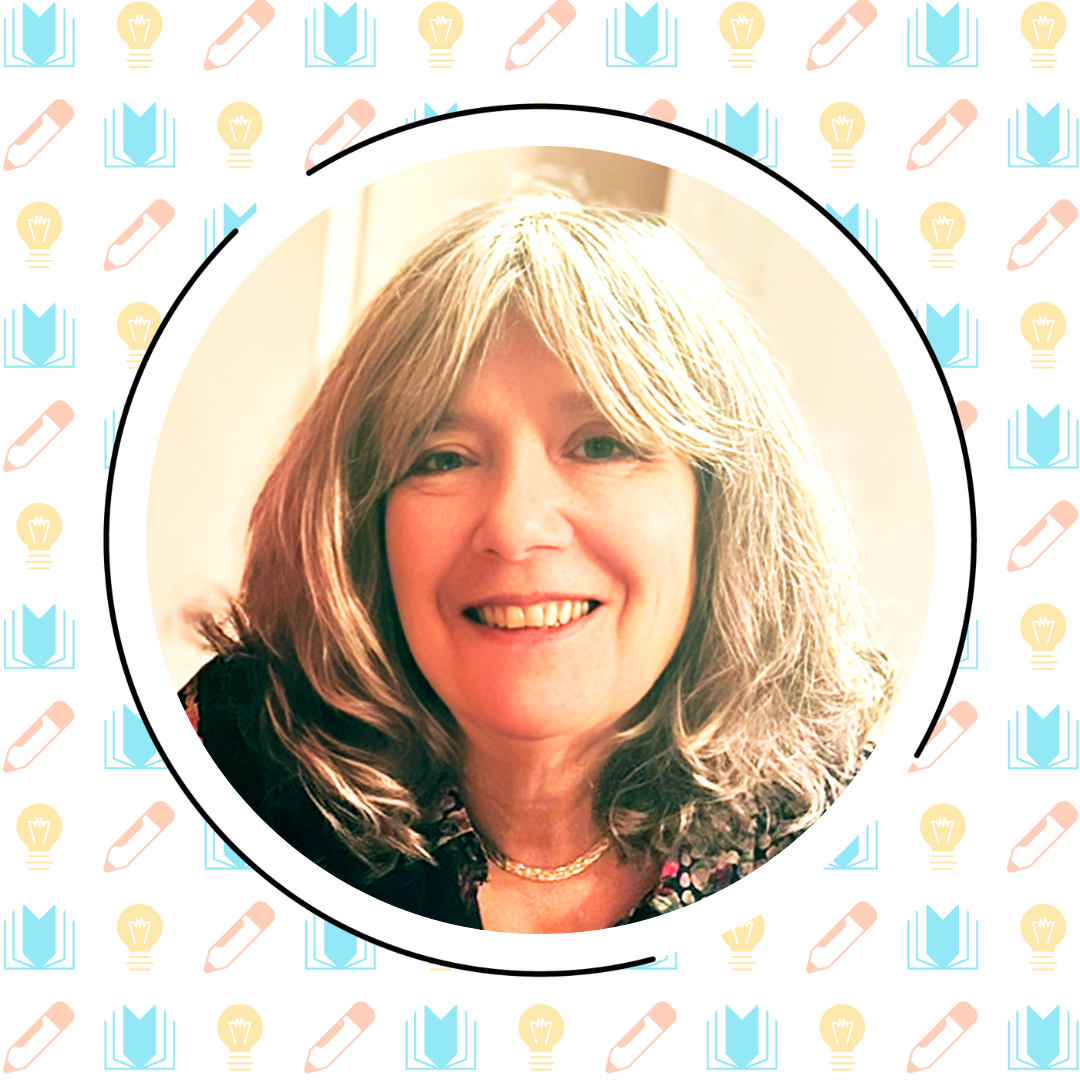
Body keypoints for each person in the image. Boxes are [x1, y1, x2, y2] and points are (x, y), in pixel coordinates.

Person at [181, 191, 896, 933]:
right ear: (359, 520)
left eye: (600, 444)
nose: (516, 528)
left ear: (720, 509)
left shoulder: (858, 842)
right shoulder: (222, 770)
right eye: (442, 457)